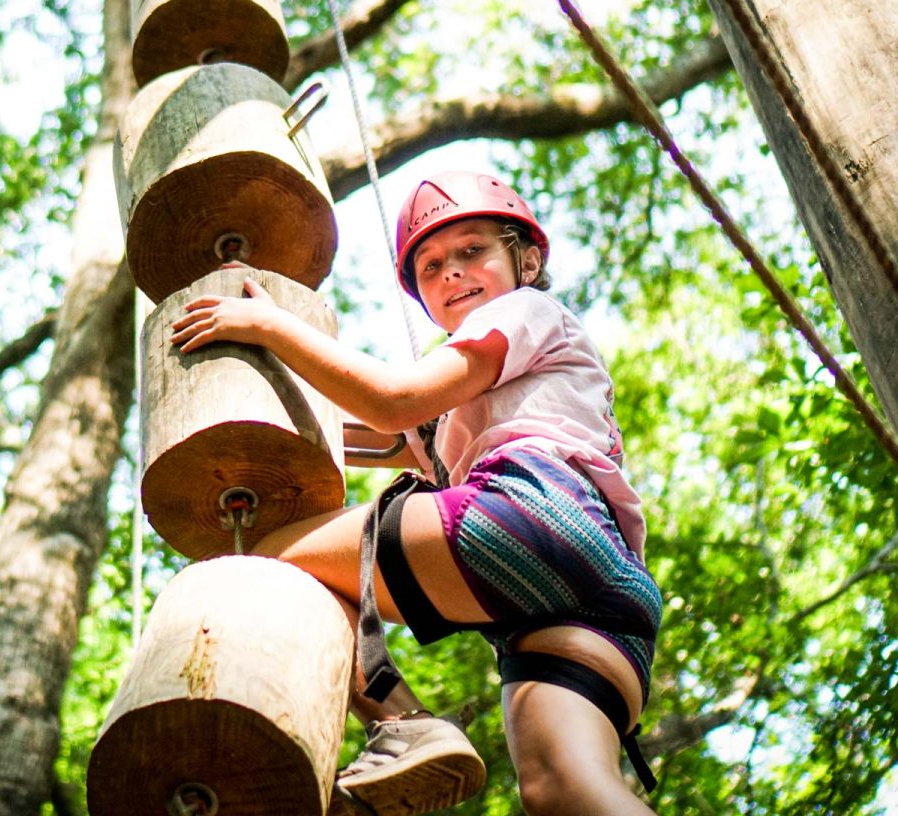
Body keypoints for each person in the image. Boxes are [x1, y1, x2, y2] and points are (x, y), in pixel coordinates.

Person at [170, 171, 662, 816]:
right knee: (563, 791)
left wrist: (268, 326)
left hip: (535, 518)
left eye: (472, 250)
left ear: (528, 260)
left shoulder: (522, 312)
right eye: (431, 266)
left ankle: (401, 722)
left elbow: (390, 399)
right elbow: (370, 432)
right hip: (604, 600)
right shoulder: (471, 399)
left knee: (267, 563)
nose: (452, 272)